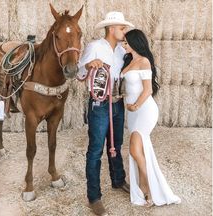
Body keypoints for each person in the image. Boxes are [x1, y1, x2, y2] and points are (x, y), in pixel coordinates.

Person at [78, 12, 134, 215]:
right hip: (100, 105)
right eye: (122, 28)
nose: (124, 31)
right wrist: (88, 65)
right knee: (95, 150)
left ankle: (118, 180)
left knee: (116, 145)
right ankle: (94, 197)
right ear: (111, 29)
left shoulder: (122, 50)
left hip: (117, 104)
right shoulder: (95, 47)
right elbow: (78, 72)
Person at [120, 29, 181, 207]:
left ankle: (148, 187)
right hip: (132, 112)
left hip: (144, 110)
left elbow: (147, 90)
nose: (123, 45)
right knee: (140, 149)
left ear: (134, 43)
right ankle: (147, 187)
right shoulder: (129, 61)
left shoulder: (144, 61)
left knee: (134, 149)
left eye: (125, 42)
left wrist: (136, 105)